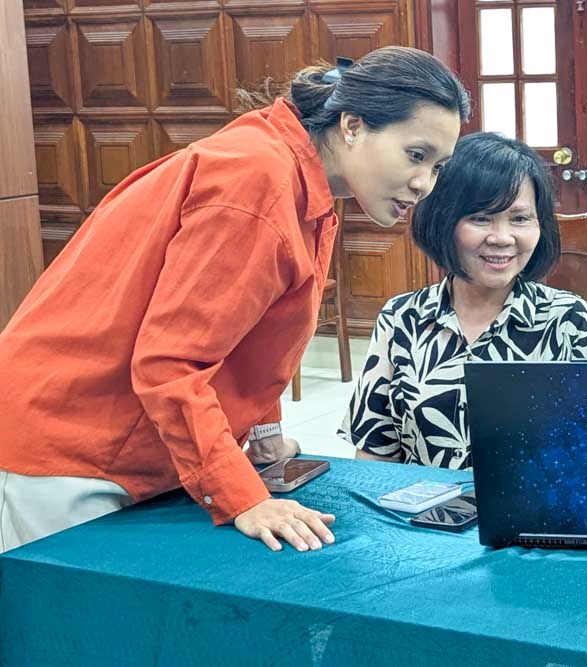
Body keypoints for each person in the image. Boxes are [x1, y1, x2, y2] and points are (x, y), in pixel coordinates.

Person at [0, 46, 470, 553]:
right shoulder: (258, 182)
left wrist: (264, 432)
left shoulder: (296, 175)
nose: (424, 184)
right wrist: (240, 496)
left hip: (123, 437)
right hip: (73, 442)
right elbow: (168, 362)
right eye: (415, 155)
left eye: (439, 166)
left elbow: (251, 333)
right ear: (352, 126)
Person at [340, 132, 587, 469]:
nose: (502, 238)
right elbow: (375, 455)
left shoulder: (567, 318)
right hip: (424, 518)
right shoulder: (401, 318)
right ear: (443, 221)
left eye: (520, 219)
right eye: (481, 218)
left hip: (531, 519)